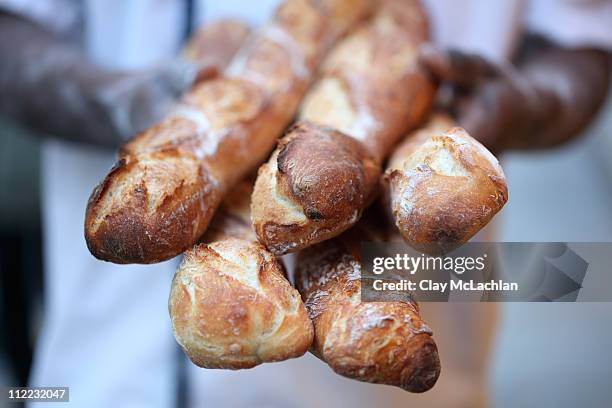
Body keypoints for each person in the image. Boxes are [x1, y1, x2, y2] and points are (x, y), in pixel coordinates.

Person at [0, 1, 609, 407]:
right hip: (104, 367)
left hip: (419, 286)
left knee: (544, 264)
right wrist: (128, 103)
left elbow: (584, 38)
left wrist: (525, 102)